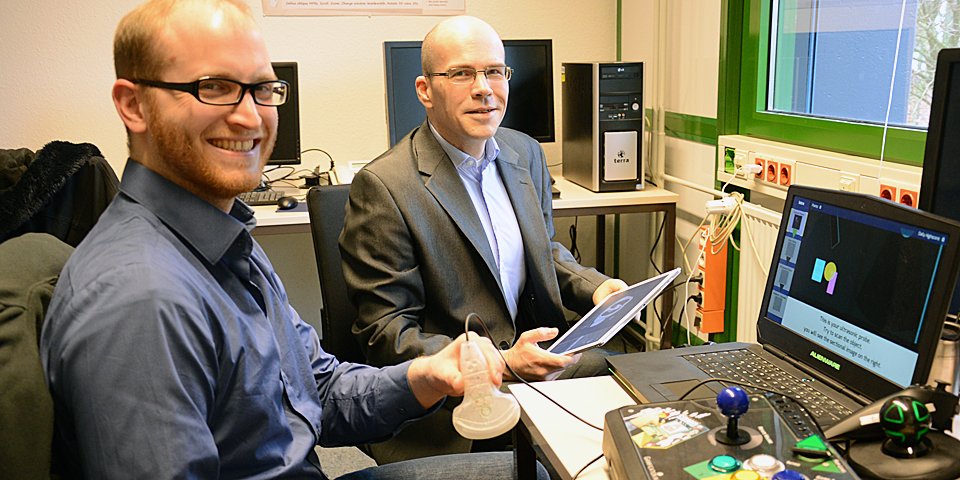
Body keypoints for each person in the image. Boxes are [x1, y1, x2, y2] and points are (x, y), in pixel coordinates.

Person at [39, 2, 545, 479]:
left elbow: (317, 389)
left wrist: (427, 376)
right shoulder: (141, 299)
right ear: (134, 105)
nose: (249, 115)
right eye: (213, 87)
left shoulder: (225, 240)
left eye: (263, 88)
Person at [339, 16, 630, 462]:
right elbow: (387, 334)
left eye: (495, 71)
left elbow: (543, 251)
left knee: (633, 389)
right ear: (424, 90)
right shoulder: (384, 186)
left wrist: (596, 288)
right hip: (456, 401)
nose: (483, 87)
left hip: (536, 360)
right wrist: (502, 361)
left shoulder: (523, 153)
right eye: (461, 73)